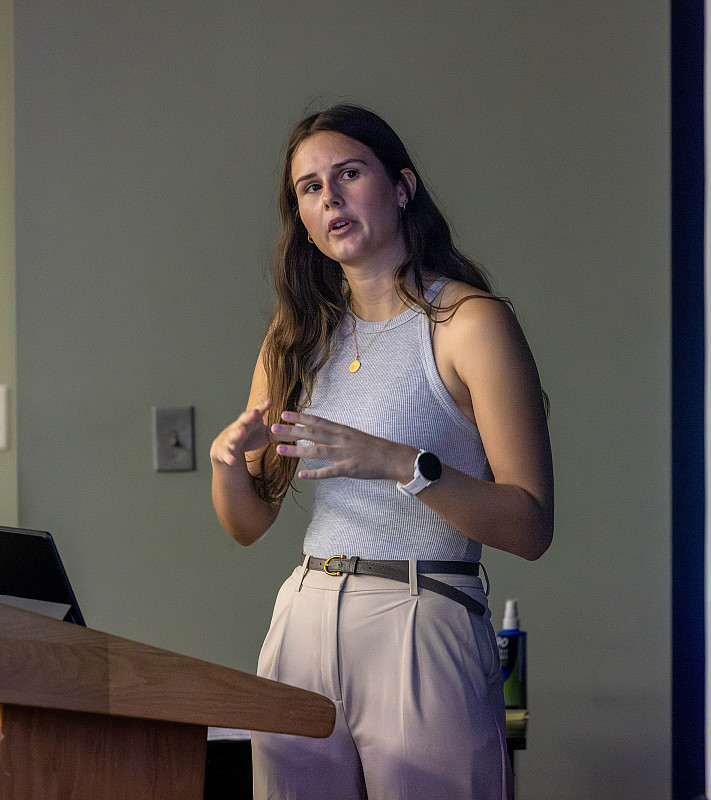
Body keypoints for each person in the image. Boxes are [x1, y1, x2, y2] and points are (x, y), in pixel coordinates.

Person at [209, 104, 554, 800]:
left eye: (349, 174)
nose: (330, 197)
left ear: (401, 187)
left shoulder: (469, 323)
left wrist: (403, 464)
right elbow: (248, 525)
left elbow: (529, 526)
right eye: (309, 187)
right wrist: (226, 467)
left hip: (422, 611)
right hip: (303, 611)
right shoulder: (294, 334)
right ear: (301, 217)